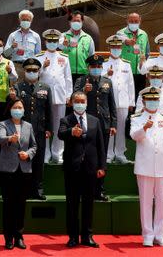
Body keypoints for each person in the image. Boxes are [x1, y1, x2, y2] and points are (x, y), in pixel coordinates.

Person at [130, 87, 163, 247]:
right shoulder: (137, 117)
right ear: (143, 102)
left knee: (161, 202)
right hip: (145, 166)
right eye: (149, 99)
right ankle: (148, 235)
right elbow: (134, 136)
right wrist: (144, 128)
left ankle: (160, 234)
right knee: (145, 202)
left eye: (155, 99)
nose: (153, 102)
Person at [58, 91, 105, 248]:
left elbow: (100, 145)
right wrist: (71, 132)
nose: (80, 103)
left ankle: (87, 236)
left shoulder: (94, 121)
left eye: (82, 101)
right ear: (72, 103)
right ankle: (72, 237)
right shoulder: (66, 120)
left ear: (86, 102)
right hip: (73, 168)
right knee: (72, 204)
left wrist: (102, 166)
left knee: (88, 203)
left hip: (91, 168)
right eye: (76, 101)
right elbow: (60, 134)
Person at [74, 54, 116, 202]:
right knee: (84, 157)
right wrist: (84, 91)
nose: (96, 69)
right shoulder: (81, 80)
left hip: (103, 124)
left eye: (99, 67)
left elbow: (112, 104)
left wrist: (113, 125)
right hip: (87, 124)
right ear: (88, 68)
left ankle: (99, 190)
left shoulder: (107, 82)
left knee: (101, 157)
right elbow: (74, 99)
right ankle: (83, 190)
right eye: (93, 67)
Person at [0, 98, 38, 249]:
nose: (18, 110)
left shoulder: (28, 126)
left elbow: (34, 145)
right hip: (7, 170)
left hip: (24, 169)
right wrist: (10, 138)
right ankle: (8, 238)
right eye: (15, 107)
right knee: (8, 205)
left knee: (21, 204)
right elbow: (1, 139)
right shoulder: (3, 124)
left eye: (20, 107)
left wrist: (28, 154)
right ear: (10, 109)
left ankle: (19, 236)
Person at [15, 57, 52, 200]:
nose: (32, 72)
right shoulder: (18, 87)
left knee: (38, 160)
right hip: (23, 130)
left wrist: (49, 128)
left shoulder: (45, 88)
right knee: (23, 159)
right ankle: (24, 189)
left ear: (39, 71)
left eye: (34, 70)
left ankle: (38, 189)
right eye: (29, 70)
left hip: (40, 129)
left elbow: (49, 110)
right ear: (24, 71)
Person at [37, 28, 72, 163]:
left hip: (60, 96)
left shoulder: (64, 57)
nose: (52, 43)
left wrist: (69, 95)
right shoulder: (39, 57)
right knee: (45, 125)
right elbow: (34, 76)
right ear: (45, 41)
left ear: (58, 42)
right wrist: (42, 66)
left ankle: (58, 153)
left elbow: (67, 78)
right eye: (49, 40)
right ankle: (45, 153)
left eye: (54, 41)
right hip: (44, 97)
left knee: (60, 126)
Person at [102, 34, 134, 164]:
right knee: (109, 128)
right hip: (109, 101)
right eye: (113, 46)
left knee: (121, 128)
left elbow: (130, 84)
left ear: (121, 47)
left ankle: (120, 153)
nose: (116, 48)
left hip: (123, 101)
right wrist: (106, 74)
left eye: (118, 46)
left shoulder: (126, 64)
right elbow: (99, 80)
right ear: (109, 47)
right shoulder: (104, 64)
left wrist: (131, 102)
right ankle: (109, 154)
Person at [117, 12, 150, 97]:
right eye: (131, 21)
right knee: (126, 96)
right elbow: (122, 38)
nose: (133, 23)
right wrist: (127, 41)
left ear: (140, 21)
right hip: (126, 71)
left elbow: (147, 53)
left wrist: (145, 68)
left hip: (140, 72)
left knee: (139, 96)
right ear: (127, 21)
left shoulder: (144, 34)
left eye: (136, 21)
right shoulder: (121, 32)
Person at [4, 9, 42, 81]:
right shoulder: (12, 35)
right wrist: (12, 47)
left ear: (31, 21)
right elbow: (6, 53)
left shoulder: (36, 36)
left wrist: (37, 69)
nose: (25, 21)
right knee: (16, 90)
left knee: (31, 90)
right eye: (23, 19)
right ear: (19, 20)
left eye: (27, 20)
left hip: (31, 67)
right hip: (17, 67)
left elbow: (38, 54)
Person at [60, 10, 95, 82]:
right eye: (74, 21)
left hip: (83, 74)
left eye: (78, 21)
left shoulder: (88, 38)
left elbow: (92, 56)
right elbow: (59, 46)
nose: (76, 22)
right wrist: (64, 44)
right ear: (70, 22)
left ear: (82, 22)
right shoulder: (63, 36)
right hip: (67, 73)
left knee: (82, 93)